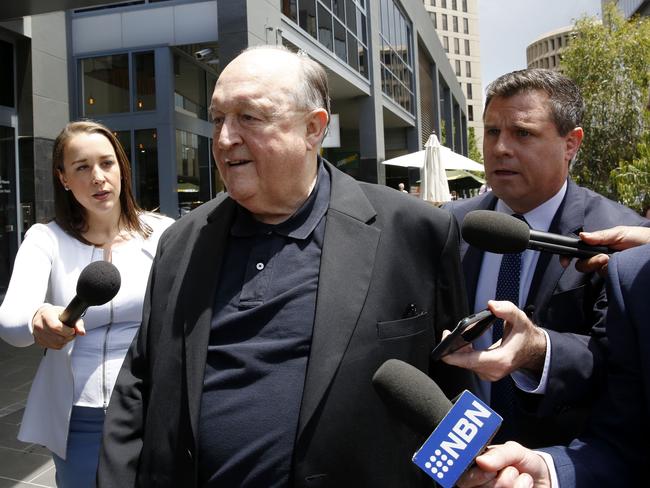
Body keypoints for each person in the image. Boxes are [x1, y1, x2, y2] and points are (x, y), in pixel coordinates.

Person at [97, 45, 473, 487]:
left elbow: (457, 388)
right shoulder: (182, 241)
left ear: (313, 128)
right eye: (218, 119)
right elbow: (139, 384)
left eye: (248, 118)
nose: (223, 139)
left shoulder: (416, 232)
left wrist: (458, 477)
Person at [443, 68, 649, 447]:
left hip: (563, 462)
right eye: (492, 132)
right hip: (460, 457)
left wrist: (538, 350)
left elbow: (622, 366)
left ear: (571, 144)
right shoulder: (450, 224)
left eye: (523, 133)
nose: (501, 147)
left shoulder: (623, 240)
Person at [0, 120, 174, 487]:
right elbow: (12, 323)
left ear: (122, 169)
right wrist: (38, 317)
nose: (98, 177)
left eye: (106, 163)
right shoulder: (44, 238)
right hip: (81, 415)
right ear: (63, 178)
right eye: (82, 167)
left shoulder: (163, 233)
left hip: (154, 404)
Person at [456, 226, 650, 487]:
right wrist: (550, 474)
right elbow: (626, 445)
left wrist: (538, 351)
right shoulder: (634, 270)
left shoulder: (628, 256)